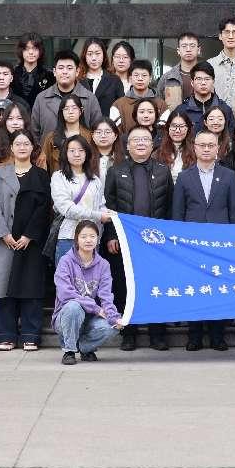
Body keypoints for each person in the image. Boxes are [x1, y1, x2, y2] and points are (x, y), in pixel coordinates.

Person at [102, 125, 173, 351]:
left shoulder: (163, 171)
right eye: (136, 140)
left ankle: (157, 335)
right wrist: (111, 235)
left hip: (156, 242)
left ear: (152, 145)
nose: (141, 143)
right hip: (125, 240)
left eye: (145, 139)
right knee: (125, 286)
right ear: (127, 146)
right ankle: (128, 334)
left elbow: (170, 207)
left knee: (156, 286)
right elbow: (109, 206)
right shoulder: (116, 171)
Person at [172, 129, 235, 351]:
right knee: (195, 289)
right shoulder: (184, 177)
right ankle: (194, 336)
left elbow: (234, 211)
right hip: (192, 245)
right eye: (202, 145)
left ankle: (217, 336)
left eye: (211, 145)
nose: (206, 149)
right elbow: (177, 214)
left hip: (220, 244)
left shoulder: (228, 175)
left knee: (219, 289)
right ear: (194, 148)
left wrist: (234, 241)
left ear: (218, 149)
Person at [0, 131, 51, 351]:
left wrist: (29, 235)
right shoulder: (0, 174)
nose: (22, 147)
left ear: (33, 148)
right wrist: (3, 233)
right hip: (3, 241)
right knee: (2, 287)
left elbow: (44, 208)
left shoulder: (41, 175)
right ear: (11, 148)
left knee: (30, 287)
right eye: (18, 144)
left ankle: (30, 335)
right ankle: (5, 335)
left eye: (26, 143)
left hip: (31, 242)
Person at [53, 220, 122, 365]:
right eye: (84, 236)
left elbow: (106, 295)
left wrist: (113, 316)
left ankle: (85, 348)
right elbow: (65, 294)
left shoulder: (103, 264)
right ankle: (69, 351)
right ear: (76, 239)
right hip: (66, 316)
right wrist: (96, 309)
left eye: (92, 236)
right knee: (74, 306)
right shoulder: (65, 261)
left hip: (90, 318)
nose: (88, 240)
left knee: (114, 324)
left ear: (98, 239)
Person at [49, 135, 113, 265]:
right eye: (72, 151)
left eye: (81, 150)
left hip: (92, 239)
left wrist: (109, 214)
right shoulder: (59, 177)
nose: (77, 154)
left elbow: (101, 205)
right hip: (69, 237)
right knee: (68, 276)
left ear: (87, 153)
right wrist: (99, 215)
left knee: (91, 277)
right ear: (65, 154)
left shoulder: (95, 180)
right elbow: (67, 209)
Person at [30, 50, 104, 142]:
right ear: (54, 71)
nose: (65, 72)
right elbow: (34, 133)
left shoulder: (89, 98)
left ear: (77, 71)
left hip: (81, 150)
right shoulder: (41, 99)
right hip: (48, 150)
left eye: (69, 68)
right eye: (61, 68)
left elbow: (97, 130)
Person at [173, 62, 235, 136]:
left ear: (213, 82)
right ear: (192, 82)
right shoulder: (181, 110)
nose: (203, 83)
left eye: (207, 79)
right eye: (199, 79)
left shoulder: (225, 109)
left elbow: (231, 137)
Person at [39, 95, 91, 174]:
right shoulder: (51, 138)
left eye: (74, 108)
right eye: (66, 109)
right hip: (57, 180)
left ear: (81, 111)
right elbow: (42, 165)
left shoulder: (89, 136)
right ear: (61, 112)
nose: (70, 112)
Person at [110, 59, 165, 131]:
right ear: (130, 79)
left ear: (150, 79)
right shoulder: (118, 105)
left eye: (144, 75)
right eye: (136, 75)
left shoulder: (161, 104)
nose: (140, 79)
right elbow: (114, 132)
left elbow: (164, 131)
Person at [155, 31, 203, 107]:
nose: (188, 49)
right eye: (184, 46)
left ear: (199, 50)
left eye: (192, 46)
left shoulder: (208, 75)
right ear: (178, 51)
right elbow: (158, 106)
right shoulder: (167, 77)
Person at [81, 37, 124, 116]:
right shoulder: (78, 81)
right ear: (84, 56)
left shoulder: (114, 80)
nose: (94, 58)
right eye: (90, 54)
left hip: (107, 123)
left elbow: (121, 109)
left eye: (97, 53)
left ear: (104, 55)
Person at [12, 32, 53, 109]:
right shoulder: (12, 74)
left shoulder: (49, 75)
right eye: (27, 49)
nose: (31, 52)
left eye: (35, 48)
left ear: (40, 51)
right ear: (21, 51)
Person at [156, 111, 196, 182]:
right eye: (174, 126)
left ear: (188, 128)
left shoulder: (196, 151)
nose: (177, 130)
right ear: (168, 127)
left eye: (182, 126)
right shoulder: (158, 152)